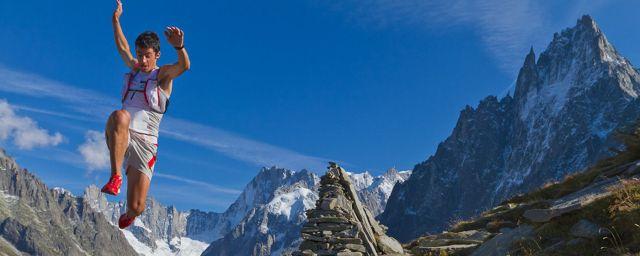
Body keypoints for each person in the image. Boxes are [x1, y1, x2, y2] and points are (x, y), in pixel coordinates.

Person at [100, 0, 190, 229]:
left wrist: (179, 48)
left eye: (147, 55)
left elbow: (184, 67)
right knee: (119, 116)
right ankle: (115, 176)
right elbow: (122, 47)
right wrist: (115, 20)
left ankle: (131, 213)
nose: (141, 60)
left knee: (137, 205)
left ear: (157, 54)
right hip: (124, 134)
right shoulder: (134, 70)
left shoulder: (163, 75)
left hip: (147, 144)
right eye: (139, 54)